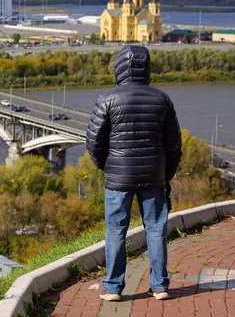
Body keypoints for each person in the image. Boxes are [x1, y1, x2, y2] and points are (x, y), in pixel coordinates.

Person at [86, 45, 182, 302]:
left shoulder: (107, 98)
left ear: (119, 67)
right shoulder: (162, 99)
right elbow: (174, 144)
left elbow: (94, 142)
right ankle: (160, 286)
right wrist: (167, 173)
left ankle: (113, 288)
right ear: (147, 67)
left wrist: (106, 166)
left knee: (116, 230)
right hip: (154, 175)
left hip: (119, 178)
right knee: (156, 229)